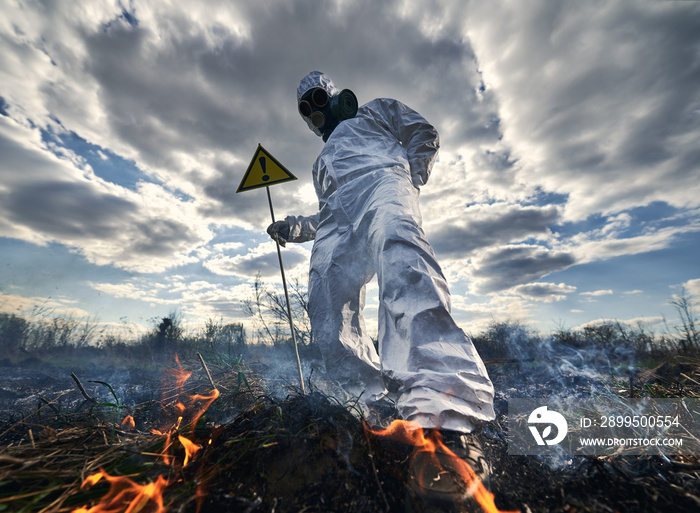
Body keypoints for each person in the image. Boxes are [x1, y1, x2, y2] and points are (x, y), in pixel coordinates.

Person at [267, 71, 495, 491]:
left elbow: (423, 132)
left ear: (334, 94)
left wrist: (409, 177)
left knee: (403, 265)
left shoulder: (376, 111)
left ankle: (445, 420)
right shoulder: (321, 163)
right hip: (340, 222)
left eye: (318, 99)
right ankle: (369, 405)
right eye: (306, 110)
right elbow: (326, 213)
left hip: (384, 186)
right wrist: (294, 227)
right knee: (326, 298)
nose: (315, 112)